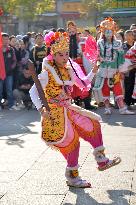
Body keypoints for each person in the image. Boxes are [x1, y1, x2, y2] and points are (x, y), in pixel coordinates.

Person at [29, 31, 121, 188]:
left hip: (69, 108)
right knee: (72, 142)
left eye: (66, 54)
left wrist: (93, 70)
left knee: (93, 124)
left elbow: (83, 83)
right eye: (60, 55)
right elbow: (33, 91)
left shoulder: (68, 68)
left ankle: (101, 160)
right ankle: (73, 177)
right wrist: (41, 109)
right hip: (55, 114)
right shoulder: (47, 73)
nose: (65, 57)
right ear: (53, 54)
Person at [93, 17, 134, 115]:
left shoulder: (118, 43)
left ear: (113, 32)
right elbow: (97, 56)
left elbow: (120, 58)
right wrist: (98, 61)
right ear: (103, 32)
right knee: (105, 88)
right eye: (106, 31)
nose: (108, 34)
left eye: (110, 31)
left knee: (117, 88)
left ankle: (122, 108)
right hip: (103, 70)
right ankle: (107, 108)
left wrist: (120, 69)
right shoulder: (100, 43)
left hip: (114, 70)